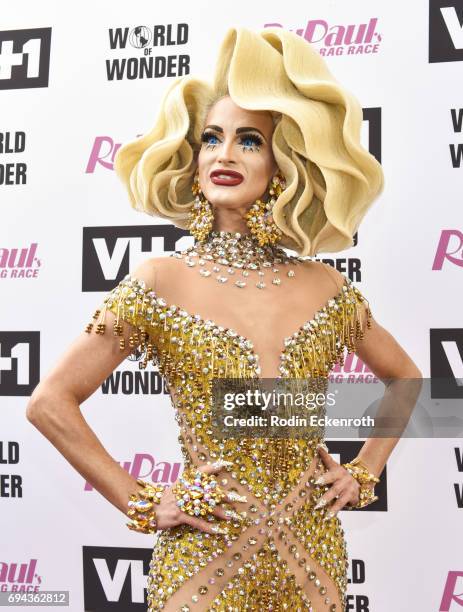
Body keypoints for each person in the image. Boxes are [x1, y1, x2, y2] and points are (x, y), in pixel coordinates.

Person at [26, 27, 422, 611]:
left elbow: (411, 382)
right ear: (193, 159)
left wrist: (363, 472)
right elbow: (48, 402)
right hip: (202, 561)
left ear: (282, 164)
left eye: (249, 141)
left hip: (311, 557)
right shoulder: (158, 281)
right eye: (211, 138)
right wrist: (143, 500)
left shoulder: (326, 286)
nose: (224, 154)